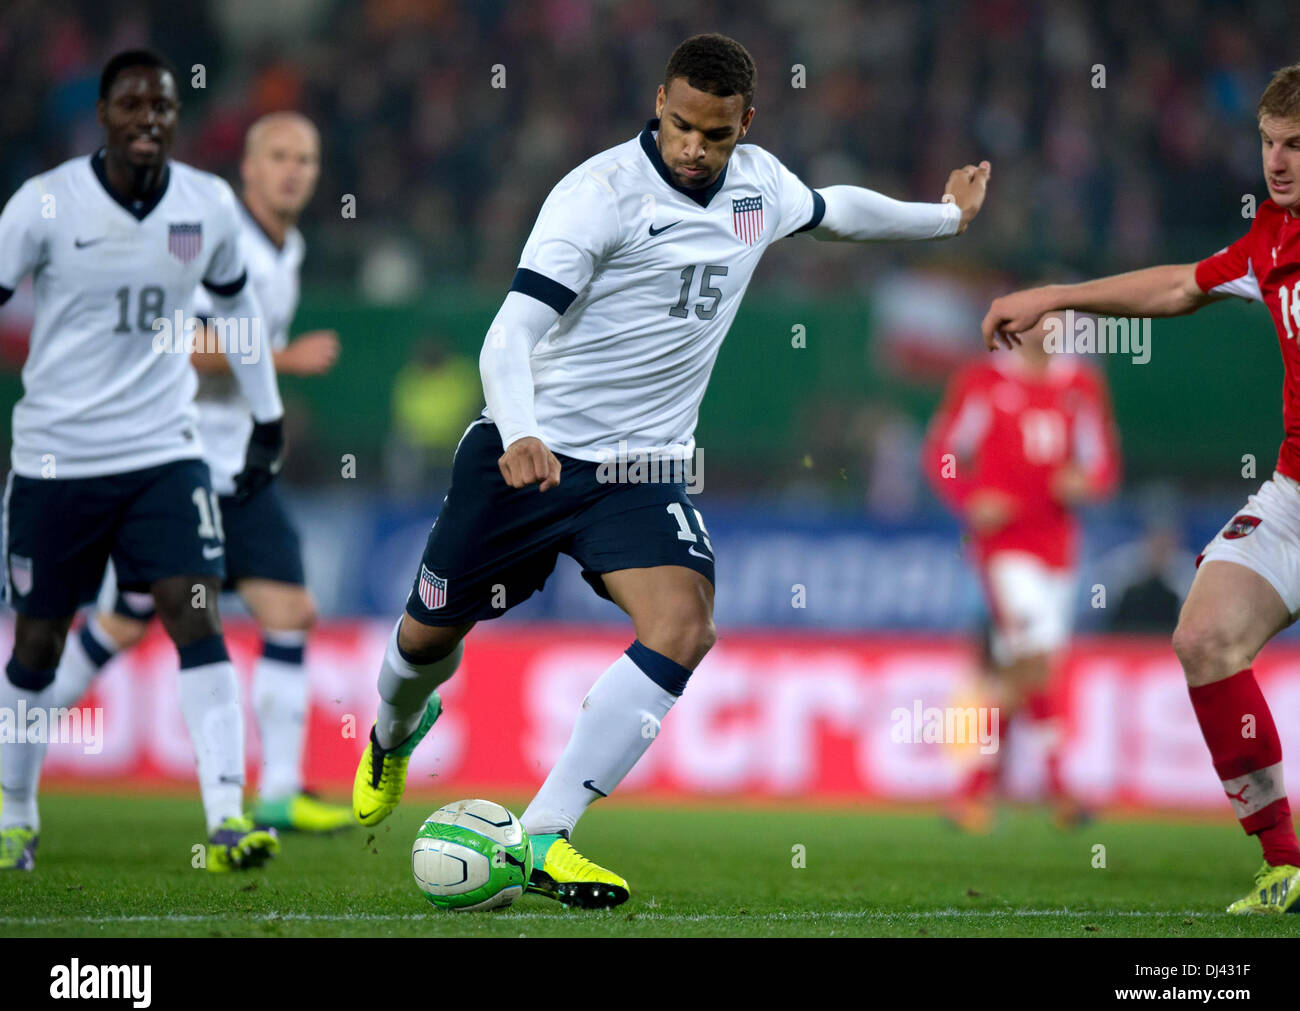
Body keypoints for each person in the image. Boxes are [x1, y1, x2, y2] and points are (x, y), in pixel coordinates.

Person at [351, 32, 991, 908]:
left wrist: (944, 219)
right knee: (425, 639)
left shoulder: (760, 185)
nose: (695, 148)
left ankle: (543, 836)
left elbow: (837, 209)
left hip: (643, 470)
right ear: (658, 103)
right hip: (525, 458)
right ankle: (391, 734)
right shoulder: (597, 195)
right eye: (682, 125)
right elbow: (510, 334)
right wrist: (524, 431)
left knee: (684, 627)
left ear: (745, 125)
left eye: (715, 134)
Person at [983, 62, 1300, 914]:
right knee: (1203, 638)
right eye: (1269, 143)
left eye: (1296, 146)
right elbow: (1176, 285)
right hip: (1293, 494)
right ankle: (1283, 862)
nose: (1277, 161)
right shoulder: (1271, 237)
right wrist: (1057, 296)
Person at [0, 50, 286, 871]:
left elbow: (237, 315)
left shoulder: (207, 204)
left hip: (166, 452)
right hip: (57, 459)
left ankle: (228, 818)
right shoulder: (45, 203)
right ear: (102, 114)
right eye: (132, 106)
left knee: (195, 613)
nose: (149, 119)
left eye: (161, 107)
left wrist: (266, 420)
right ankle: (16, 812)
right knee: (39, 645)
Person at [45, 111, 348, 834]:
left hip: (236, 468)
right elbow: (178, 341)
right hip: (172, 461)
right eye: (278, 155)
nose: (293, 170)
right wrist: (282, 360)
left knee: (290, 612)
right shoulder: (213, 239)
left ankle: (277, 793)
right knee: (122, 624)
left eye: (305, 158)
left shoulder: (289, 246)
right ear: (247, 168)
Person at [923, 314, 1120, 831]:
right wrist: (969, 497)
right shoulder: (983, 380)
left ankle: (975, 792)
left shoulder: (1081, 385)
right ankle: (1058, 790)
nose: (1047, 334)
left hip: (1060, 546)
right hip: (1004, 545)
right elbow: (942, 454)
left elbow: (1102, 464)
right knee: (1032, 655)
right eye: (1037, 323)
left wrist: (1086, 481)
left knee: (1029, 668)